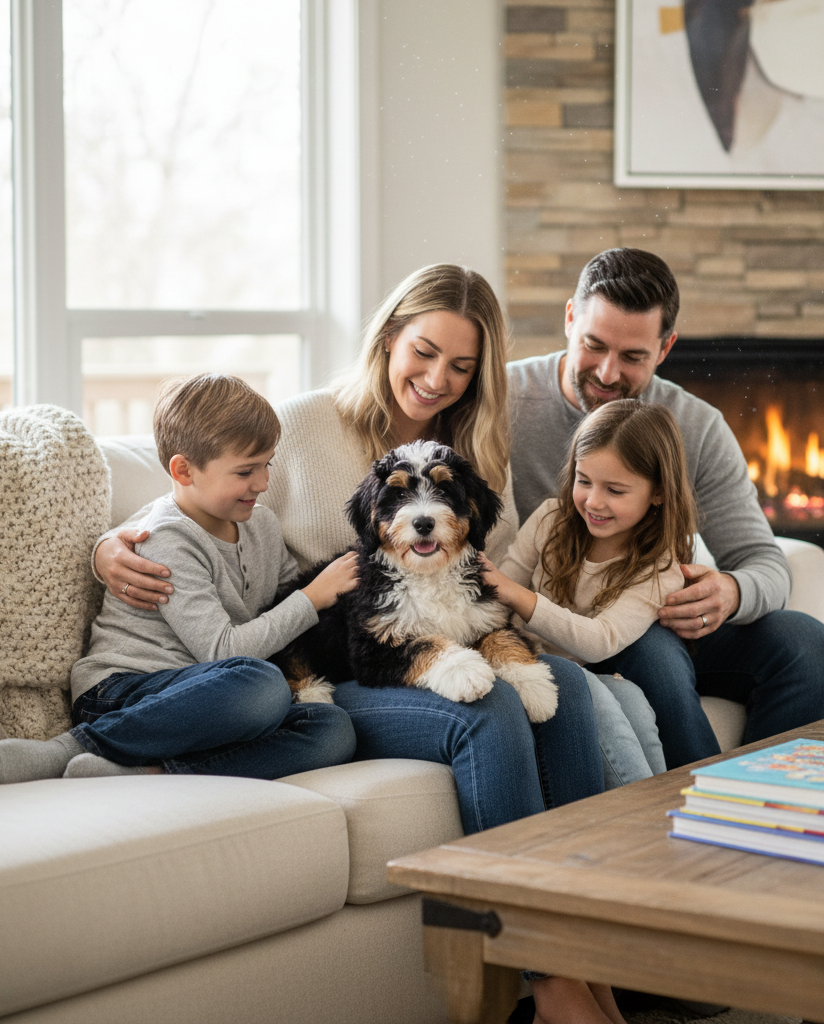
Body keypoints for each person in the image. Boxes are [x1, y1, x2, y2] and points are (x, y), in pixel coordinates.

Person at [92, 266, 619, 1024]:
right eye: (424, 351)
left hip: (435, 631)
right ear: (388, 338)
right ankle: (550, 980)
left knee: (563, 700)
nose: (438, 379)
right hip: (342, 660)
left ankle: (593, 947)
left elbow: (472, 578)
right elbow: (197, 492)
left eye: (462, 366)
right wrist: (109, 545)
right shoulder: (303, 424)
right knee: (490, 715)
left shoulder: (474, 445)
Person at [507, 247, 824, 769]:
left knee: (807, 644)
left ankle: (781, 801)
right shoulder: (505, 401)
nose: (608, 372)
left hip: (652, 608)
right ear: (570, 318)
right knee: (654, 653)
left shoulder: (697, 426)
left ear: (665, 348)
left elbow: (765, 562)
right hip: (571, 625)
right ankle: (709, 802)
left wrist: (730, 591)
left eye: (633, 357)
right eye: (594, 345)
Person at [0, 374, 358, 784]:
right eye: (245, 471)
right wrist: (312, 597)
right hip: (122, 694)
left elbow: (283, 614)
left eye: (267, 464)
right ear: (183, 470)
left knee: (333, 729)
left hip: (205, 696)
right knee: (262, 684)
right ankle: (72, 747)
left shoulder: (262, 525)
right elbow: (223, 650)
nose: (263, 483)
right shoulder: (167, 538)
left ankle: (152, 770)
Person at [484, 399, 697, 786]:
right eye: (584, 481)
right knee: (596, 693)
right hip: (517, 660)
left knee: (630, 696)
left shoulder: (660, 570)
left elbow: (600, 643)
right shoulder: (551, 518)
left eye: (615, 490)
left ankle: (666, 811)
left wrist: (518, 595)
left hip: (580, 670)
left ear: (659, 493)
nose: (594, 501)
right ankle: (648, 820)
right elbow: (499, 590)